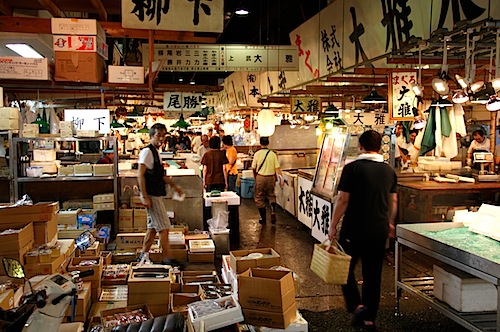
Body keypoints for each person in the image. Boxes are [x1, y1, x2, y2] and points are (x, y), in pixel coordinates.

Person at [328, 130, 398, 330]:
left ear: (360, 146)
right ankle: (369, 318)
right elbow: (393, 200)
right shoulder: (388, 171)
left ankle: (356, 305)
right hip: (378, 231)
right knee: (372, 275)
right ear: (379, 146)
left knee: (343, 270)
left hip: (353, 230)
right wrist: (390, 222)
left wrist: (333, 225)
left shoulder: (352, 169)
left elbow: (343, 200)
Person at [137, 123, 184, 265]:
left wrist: (175, 187)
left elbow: (161, 175)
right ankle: (168, 259)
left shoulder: (156, 152)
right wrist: (144, 196)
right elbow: (140, 174)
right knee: (164, 227)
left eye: (164, 135)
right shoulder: (147, 152)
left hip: (155, 194)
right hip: (151, 195)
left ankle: (143, 256)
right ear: (151, 136)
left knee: (152, 228)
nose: (161, 138)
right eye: (158, 135)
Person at [252, 137, 283, 224]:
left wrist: (256, 177)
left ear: (260, 143)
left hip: (260, 177)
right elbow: (277, 168)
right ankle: (273, 211)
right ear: (268, 143)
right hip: (271, 177)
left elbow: (253, 168)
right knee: (271, 195)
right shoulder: (273, 154)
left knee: (259, 197)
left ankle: (263, 218)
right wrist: (281, 178)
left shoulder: (257, 154)